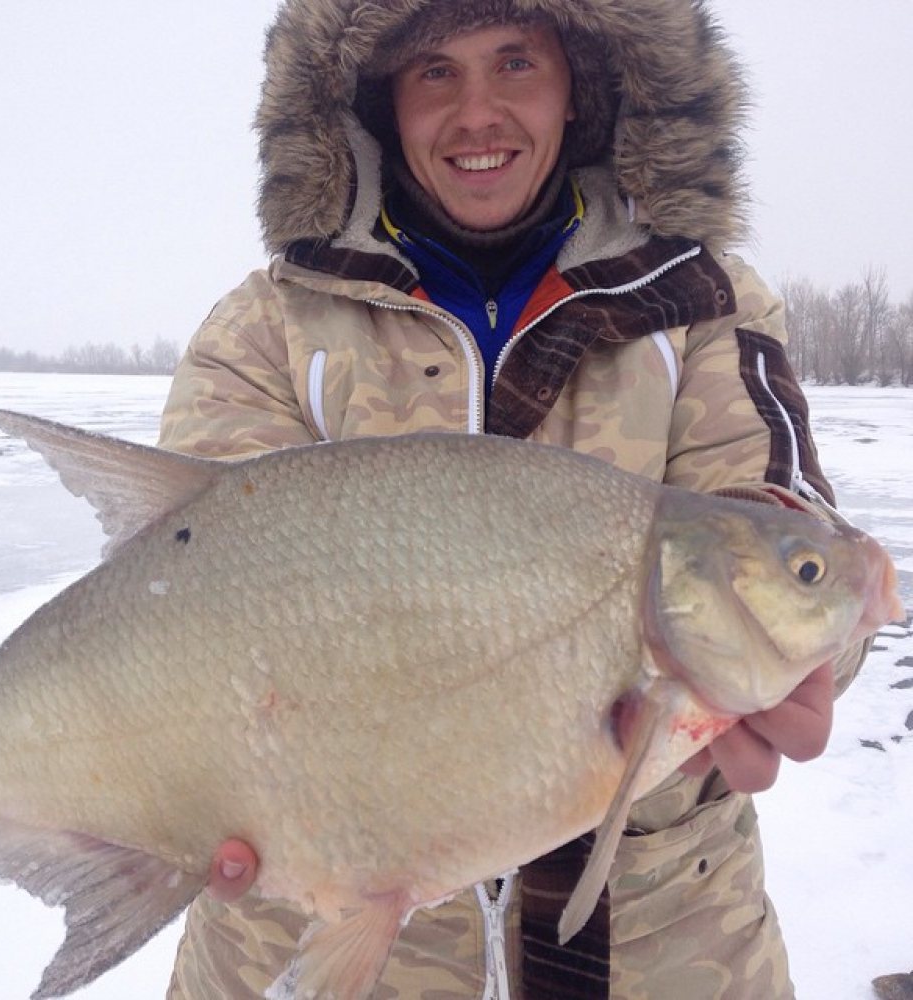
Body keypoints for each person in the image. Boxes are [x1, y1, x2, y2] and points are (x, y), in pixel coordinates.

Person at [157, 0, 867, 997]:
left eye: (516, 61)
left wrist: (804, 657)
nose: (477, 112)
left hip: (667, 951)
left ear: (583, 81)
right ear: (378, 100)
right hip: (306, 941)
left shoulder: (702, 300)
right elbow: (180, 590)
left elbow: (784, 525)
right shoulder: (266, 329)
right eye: (434, 71)